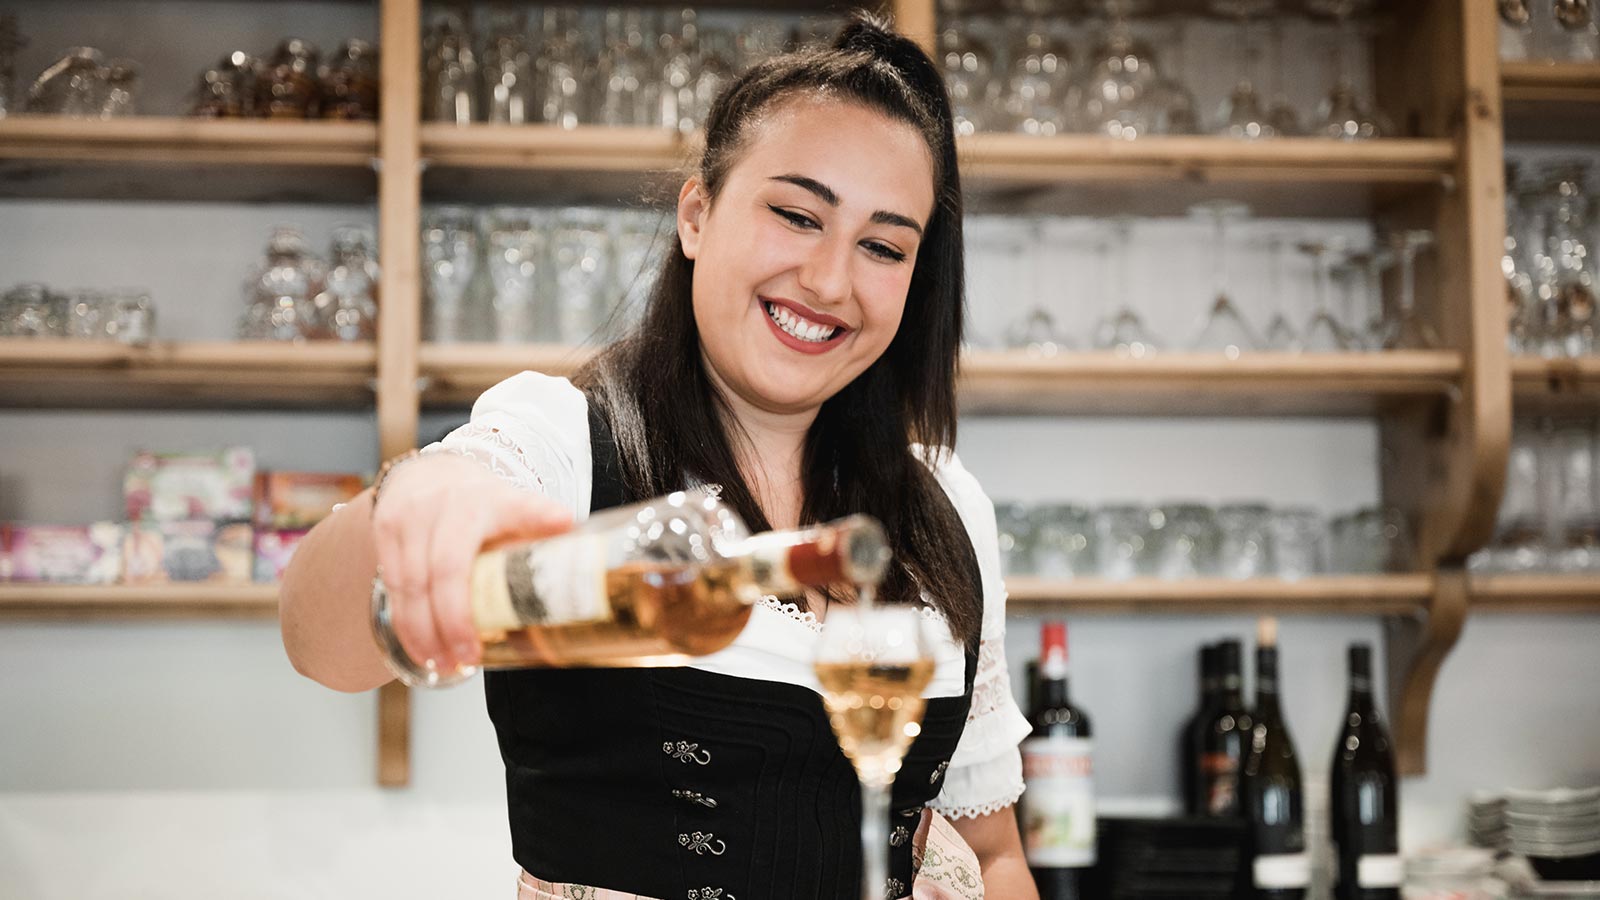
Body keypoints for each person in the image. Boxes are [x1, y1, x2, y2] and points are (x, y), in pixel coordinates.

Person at [280, 15, 1037, 900]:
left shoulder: (944, 506)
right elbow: (322, 643)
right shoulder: (566, 444)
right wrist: (421, 499)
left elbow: (991, 852)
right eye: (798, 215)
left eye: (882, 246)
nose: (831, 281)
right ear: (697, 214)